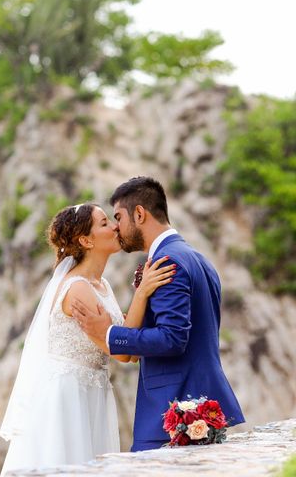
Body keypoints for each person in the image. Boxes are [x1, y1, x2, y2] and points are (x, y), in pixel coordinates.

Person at [0, 202, 175, 475]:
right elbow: (122, 352)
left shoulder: (101, 286)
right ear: (85, 240)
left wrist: (141, 293)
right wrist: (141, 294)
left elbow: (124, 339)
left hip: (92, 391)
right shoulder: (78, 289)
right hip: (69, 395)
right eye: (105, 223)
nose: (116, 226)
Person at [72, 176, 245, 451]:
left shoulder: (169, 262)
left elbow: (172, 338)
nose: (116, 227)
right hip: (202, 404)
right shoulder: (198, 258)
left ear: (139, 214)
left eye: (118, 217)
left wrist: (110, 334)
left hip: (173, 410)